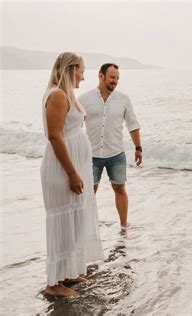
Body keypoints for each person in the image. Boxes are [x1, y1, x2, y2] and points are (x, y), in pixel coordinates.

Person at [40, 52, 103, 297]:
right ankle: (54, 285)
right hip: (62, 170)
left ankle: (66, 274)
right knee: (63, 224)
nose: (83, 76)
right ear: (70, 70)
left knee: (74, 222)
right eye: (81, 70)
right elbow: (55, 137)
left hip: (73, 168)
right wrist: (73, 173)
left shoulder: (65, 94)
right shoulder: (56, 95)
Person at [78, 63, 142, 229]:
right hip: (91, 155)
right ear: (101, 76)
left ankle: (124, 225)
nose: (115, 81)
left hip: (116, 154)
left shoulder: (123, 99)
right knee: (89, 192)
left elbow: (132, 124)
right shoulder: (85, 99)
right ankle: (85, 226)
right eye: (112, 77)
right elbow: (75, 126)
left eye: (117, 78)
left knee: (120, 188)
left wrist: (138, 148)